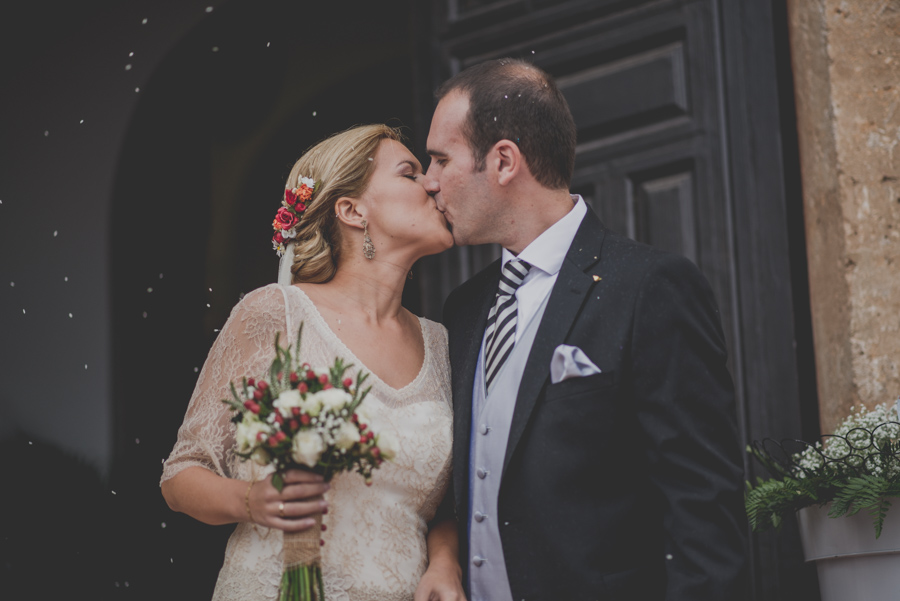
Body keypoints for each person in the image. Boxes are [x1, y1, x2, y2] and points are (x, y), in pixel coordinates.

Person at [424, 59, 747, 600]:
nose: (429, 182)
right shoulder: (463, 309)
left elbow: (703, 505)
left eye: (441, 159)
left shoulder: (650, 286)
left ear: (504, 161)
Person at [161, 124, 466, 601]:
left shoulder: (446, 344)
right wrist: (251, 500)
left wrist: (446, 565)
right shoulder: (275, 314)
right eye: (410, 173)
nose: (432, 183)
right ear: (352, 210)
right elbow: (181, 475)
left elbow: (450, 504)